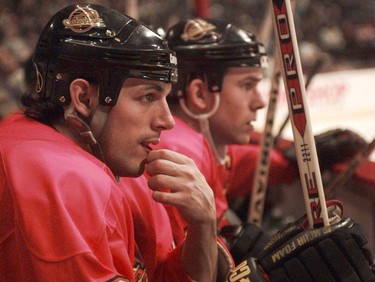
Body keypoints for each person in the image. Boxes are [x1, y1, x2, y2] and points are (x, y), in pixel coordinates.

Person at [124, 17, 375, 281]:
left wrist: (288, 161)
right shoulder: (182, 149)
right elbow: (189, 271)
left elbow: (238, 164)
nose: (258, 101)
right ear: (199, 95)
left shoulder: (193, 144)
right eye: (247, 85)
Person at [0, 4, 229, 281]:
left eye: (165, 98)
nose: (167, 121)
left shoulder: (112, 164)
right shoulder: (63, 178)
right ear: (84, 98)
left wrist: (203, 226)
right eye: (148, 96)